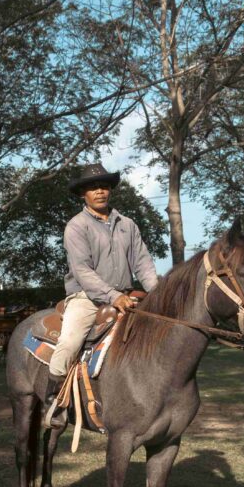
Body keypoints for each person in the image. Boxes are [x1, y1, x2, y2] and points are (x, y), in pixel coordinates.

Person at [45, 163, 160, 426]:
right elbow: (82, 271)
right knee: (70, 342)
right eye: (94, 188)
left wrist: (158, 293)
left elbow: (142, 262)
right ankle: (54, 401)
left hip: (126, 294)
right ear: (83, 194)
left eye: (105, 186)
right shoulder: (76, 226)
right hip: (86, 298)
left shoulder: (128, 225)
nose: (100, 191)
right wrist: (111, 295)